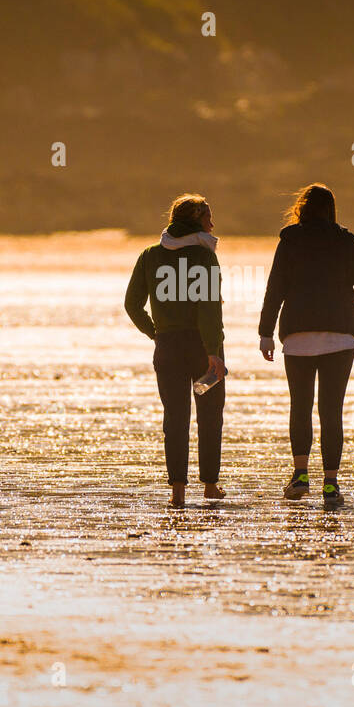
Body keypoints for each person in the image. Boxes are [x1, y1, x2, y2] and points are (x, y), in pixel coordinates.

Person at [259, 183, 354, 511]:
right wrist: (352, 298)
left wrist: (265, 332)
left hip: (298, 336)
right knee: (331, 410)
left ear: (302, 209)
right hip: (340, 336)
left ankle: (300, 476)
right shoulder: (346, 240)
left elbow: (274, 289)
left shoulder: (290, 240)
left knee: (301, 405)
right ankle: (330, 483)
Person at [125, 193, 226, 508]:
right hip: (201, 349)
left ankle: (177, 491)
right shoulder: (204, 256)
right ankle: (210, 485)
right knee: (209, 415)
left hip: (168, 349)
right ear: (196, 220)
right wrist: (214, 353)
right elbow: (209, 308)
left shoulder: (149, 256)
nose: (212, 223)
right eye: (208, 217)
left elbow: (132, 305)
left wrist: (155, 333)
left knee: (176, 418)